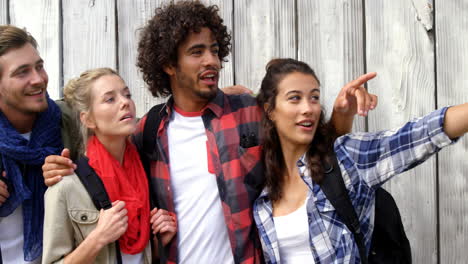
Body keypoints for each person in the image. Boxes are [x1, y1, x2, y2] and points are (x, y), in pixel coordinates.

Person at [42, 1, 377, 263]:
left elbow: (317, 153)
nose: (212, 61)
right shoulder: (149, 131)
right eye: (197, 52)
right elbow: (107, 163)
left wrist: (341, 116)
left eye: (215, 50)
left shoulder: (249, 111)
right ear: (169, 65)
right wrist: (60, 167)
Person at [253, 58, 468, 263]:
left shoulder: (348, 157)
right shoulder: (260, 189)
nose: (308, 108)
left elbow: (417, 135)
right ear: (270, 110)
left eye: (315, 97)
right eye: (295, 98)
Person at [41, 68, 177, 263]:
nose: (125, 102)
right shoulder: (66, 187)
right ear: (87, 119)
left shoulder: (144, 175)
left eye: (127, 95)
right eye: (110, 99)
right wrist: (98, 238)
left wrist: (159, 242)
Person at [0, 25, 73, 264]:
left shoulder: (70, 123)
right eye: (22, 72)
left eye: (39, 67)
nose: (39, 79)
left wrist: (72, 177)